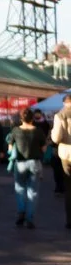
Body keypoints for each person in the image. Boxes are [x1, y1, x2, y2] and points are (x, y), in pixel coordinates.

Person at [6, 108, 44, 229]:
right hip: (34, 163)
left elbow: (10, 149)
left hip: (20, 164)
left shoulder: (15, 131)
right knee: (32, 192)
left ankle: (21, 211)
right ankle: (30, 218)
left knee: (20, 189)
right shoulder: (38, 131)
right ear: (33, 118)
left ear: (21, 118)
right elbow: (43, 149)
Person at [52, 94, 71, 228]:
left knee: (69, 188)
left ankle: (69, 220)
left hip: (66, 154)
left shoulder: (60, 115)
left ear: (65, 102)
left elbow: (56, 138)